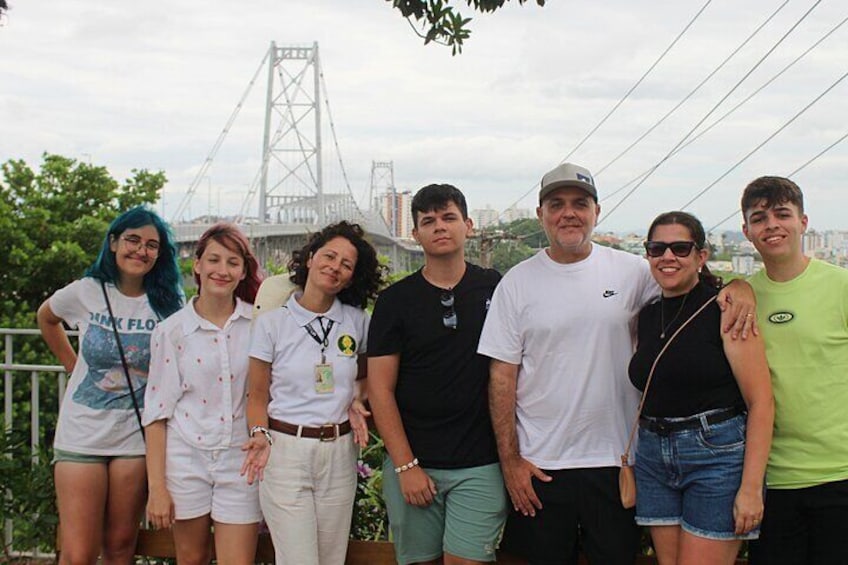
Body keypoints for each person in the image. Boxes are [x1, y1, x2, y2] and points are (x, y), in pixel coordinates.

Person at [477, 163, 757, 565]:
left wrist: (739, 286)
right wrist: (511, 461)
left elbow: (686, 283)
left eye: (580, 203)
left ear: (597, 211)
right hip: (540, 466)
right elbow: (501, 376)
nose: (568, 213)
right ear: (541, 215)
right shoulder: (516, 283)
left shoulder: (632, 272)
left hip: (619, 462)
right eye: (556, 204)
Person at [368, 184, 507, 565]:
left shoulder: (496, 288)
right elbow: (380, 389)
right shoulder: (395, 301)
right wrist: (405, 466)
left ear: (469, 225)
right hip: (414, 463)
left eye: (449, 217)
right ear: (414, 234)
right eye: (428, 221)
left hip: (480, 464)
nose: (439, 227)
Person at [37, 206, 182, 565]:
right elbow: (47, 317)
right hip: (81, 435)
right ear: (114, 243)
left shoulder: (168, 303)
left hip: (134, 438)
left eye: (152, 245)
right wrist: (73, 366)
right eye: (132, 239)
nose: (141, 250)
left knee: (121, 547)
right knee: (79, 553)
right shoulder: (87, 291)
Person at [628, 211, 773, 565]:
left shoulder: (726, 307)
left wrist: (752, 488)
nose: (668, 257)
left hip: (715, 456)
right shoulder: (647, 314)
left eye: (680, 248)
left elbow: (761, 402)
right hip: (653, 456)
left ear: (701, 256)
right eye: (656, 248)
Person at [241, 221, 384, 565]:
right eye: (329, 256)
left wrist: (356, 398)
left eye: (346, 264)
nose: (335, 267)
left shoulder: (357, 321)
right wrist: (259, 433)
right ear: (309, 258)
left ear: (351, 277)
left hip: (339, 453)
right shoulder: (272, 324)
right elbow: (257, 395)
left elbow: (364, 374)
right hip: (287, 451)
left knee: (332, 559)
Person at [739, 177, 848, 565]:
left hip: (840, 473)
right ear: (747, 231)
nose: (772, 225)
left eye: (782, 214)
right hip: (775, 479)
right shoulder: (741, 296)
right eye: (760, 218)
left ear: (803, 222)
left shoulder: (840, 286)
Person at [143, 222, 264, 565]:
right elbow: (156, 412)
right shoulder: (172, 331)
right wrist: (157, 489)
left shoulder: (258, 326)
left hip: (240, 462)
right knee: (191, 558)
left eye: (232, 262)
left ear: (243, 271)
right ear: (196, 265)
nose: (222, 270)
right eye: (213, 260)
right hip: (186, 460)